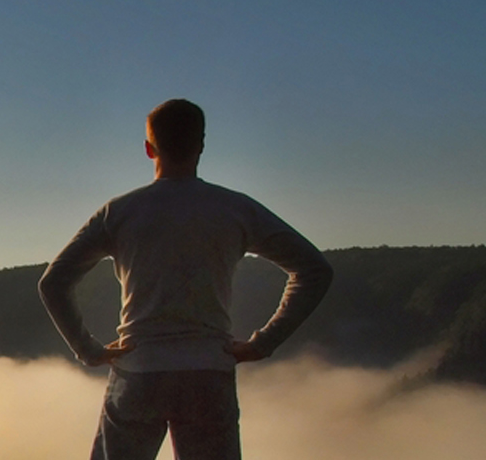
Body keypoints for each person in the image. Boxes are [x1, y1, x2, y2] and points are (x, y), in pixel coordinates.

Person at [37, 99, 333, 460]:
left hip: (139, 367)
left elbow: (53, 283)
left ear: (149, 148)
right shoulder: (235, 208)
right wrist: (263, 343)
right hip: (208, 370)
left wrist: (88, 349)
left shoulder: (120, 212)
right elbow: (314, 270)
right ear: (201, 145)